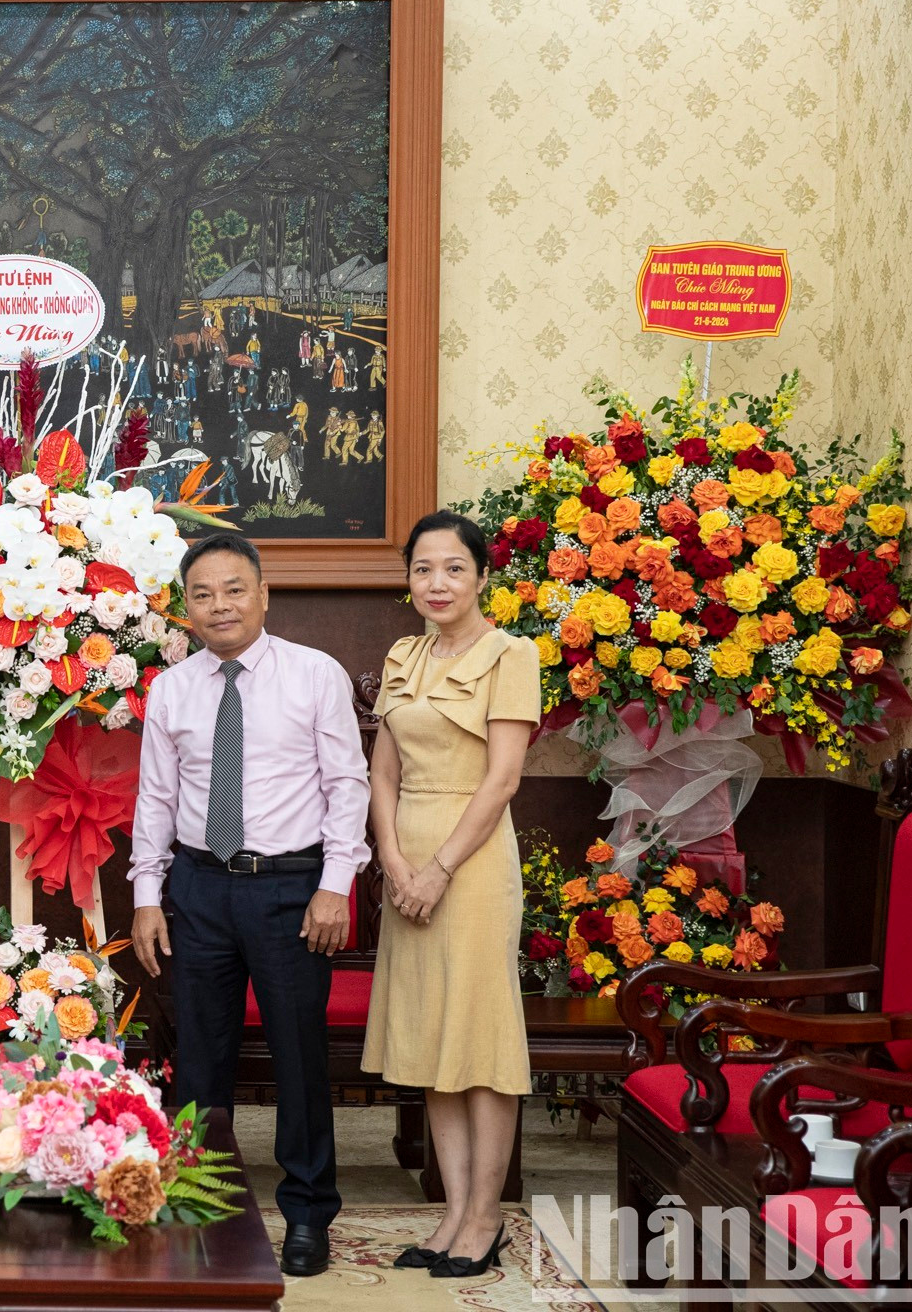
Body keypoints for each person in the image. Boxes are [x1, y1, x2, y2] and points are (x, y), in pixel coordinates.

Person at [128, 533, 370, 1278]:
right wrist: (147, 895)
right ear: (186, 609)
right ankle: (203, 1206)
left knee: (299, 1058)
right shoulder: (172, 688)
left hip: (290, 890)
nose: (219, 605)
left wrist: (337, 885)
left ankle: (306, 1212)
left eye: (234, 589)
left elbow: (347, 787)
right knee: (200, 1059)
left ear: (263, 595)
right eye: (202, 594)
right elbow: (157, 800)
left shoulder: (314, 675)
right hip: (198, 888)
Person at [363, 511, 537, 1279]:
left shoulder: (512, 654)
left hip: (472, 862)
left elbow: (503, 779)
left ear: (481, 575)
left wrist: (437, 870)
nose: (436, 583)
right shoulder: (405, 654)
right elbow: (381, 774)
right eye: (423, 569)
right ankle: (453, 1213)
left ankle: (486, 1216)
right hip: (407, 856)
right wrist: (395, 862)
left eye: (453, 568)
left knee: (479, 1036)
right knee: (433, 1040)